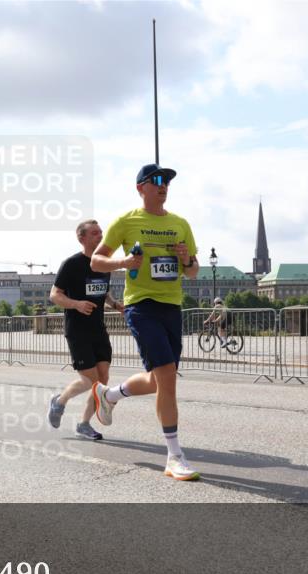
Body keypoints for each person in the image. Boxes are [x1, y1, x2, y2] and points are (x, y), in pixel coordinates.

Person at [90, 163, 201, 481]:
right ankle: (175, 456)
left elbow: (193, 271)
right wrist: (124, 262)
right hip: (141, 306)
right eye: (156, 181)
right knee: (168, 378)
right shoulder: (127, 221)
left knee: (159, 380)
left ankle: (108, 395)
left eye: (166, 181)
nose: (163, 185)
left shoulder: (180, 224)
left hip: (172, 306)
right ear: (141, 187)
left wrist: (186, 259)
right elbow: (98, 260)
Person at [48, 219, 124, 440]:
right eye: (94, 233)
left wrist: (115, 304)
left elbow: (104, 291)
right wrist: (76, 304)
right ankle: (59, 401)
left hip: (98, 328)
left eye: (101, 232)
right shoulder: (71, 264)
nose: (100, 236)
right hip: (77, 330)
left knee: (102, 380)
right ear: (81, 238)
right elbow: (54, 295)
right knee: (90, 381)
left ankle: (84, 424)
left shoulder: (104, 263)